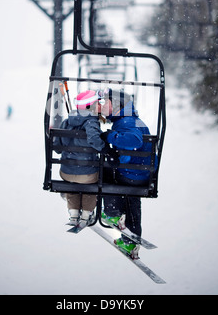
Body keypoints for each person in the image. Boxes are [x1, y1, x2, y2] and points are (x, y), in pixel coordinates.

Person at [97, 88, 157, 259]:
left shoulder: (127, 122)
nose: (102, 105)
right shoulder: (130, 120)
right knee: (132, 201)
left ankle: (112, 213)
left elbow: (135, 141)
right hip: (140, 173)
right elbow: (128, 153)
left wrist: (111, 137)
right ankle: (129, 240)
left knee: (106, 170)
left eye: (105, 102)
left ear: (116, 104)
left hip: (134, 174)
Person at [54, 89, 106, 225]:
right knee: (90, 184)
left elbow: (58, 149)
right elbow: (94, 139)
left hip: (66, 172)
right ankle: (86, 213)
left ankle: (74, 212)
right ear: (91, 106)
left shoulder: (66, 122)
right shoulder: (91, 123)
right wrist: (103, 147)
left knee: (72, 184)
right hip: (88, 175)